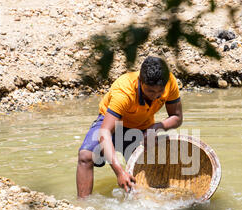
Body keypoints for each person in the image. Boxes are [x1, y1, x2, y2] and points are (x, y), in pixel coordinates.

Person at [77, 56, 183, 198]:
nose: (156, 96)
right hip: (113, 123)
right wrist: (119, 172)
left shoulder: (170, 82)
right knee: (86, 156)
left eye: (160, 92)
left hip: (142, 125)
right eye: (151, 91)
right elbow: (105, 132)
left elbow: (177, 117)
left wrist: (156, 127)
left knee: (146, 167)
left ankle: (142, 202)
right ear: (140, 81)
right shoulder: (124, 91)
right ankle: (83, 206)